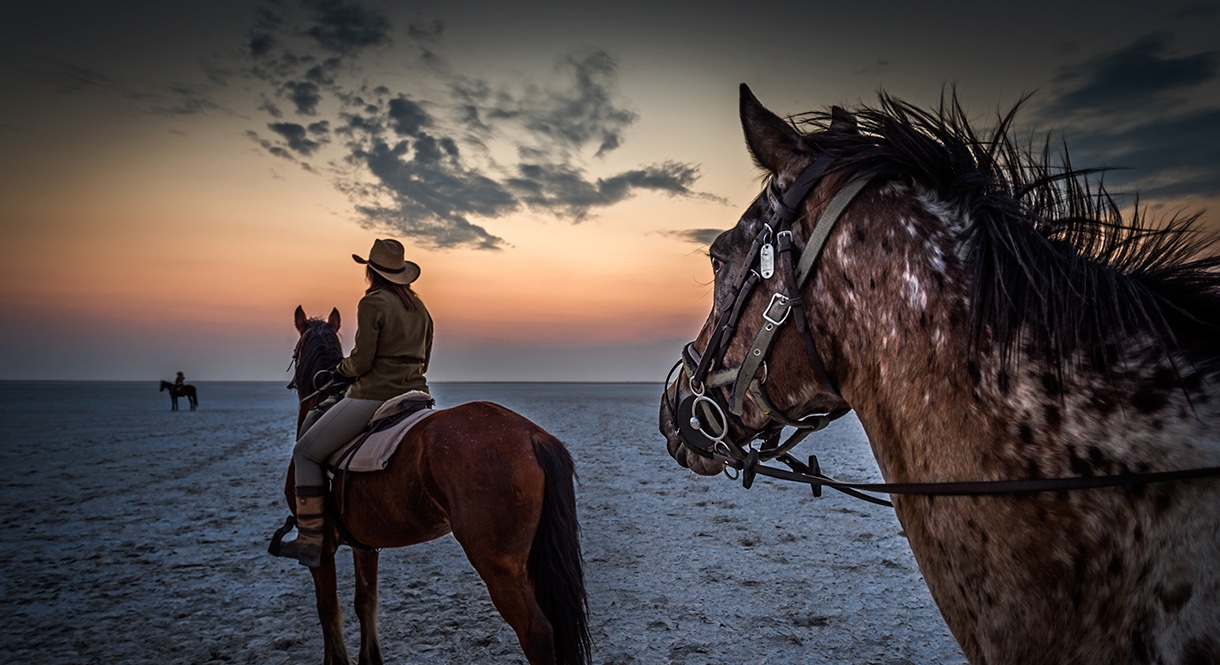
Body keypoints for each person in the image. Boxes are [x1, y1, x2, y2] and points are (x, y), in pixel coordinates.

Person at [273, 238, 434, 567]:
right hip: (416, 394)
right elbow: (425, 359)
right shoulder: (420, 309)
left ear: (371, 272)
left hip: (374, 395)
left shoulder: (373, 302)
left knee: (305, 452)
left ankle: (310, 538)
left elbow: (360, 363)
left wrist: (340, 370)